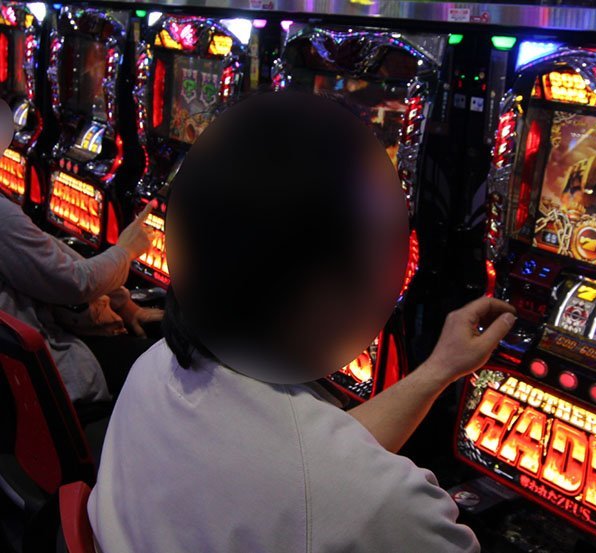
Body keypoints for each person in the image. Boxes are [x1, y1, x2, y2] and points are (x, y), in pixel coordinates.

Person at [88, 91, 516, 552]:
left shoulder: (153, 371)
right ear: (322, 288)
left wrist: (439, 370)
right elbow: (324, 480)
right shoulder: (387, 506)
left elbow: (309, 458)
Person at [0, 195, 163, 402]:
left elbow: (48, 252)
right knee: (168, 363)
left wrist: (126, 306)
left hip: (22, 359)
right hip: (44, 371)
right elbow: (71, 282)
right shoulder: (3, 215)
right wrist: (126, 251)